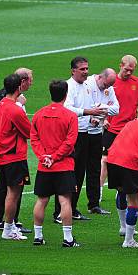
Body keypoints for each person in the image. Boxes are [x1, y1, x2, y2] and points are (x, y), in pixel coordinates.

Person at [53, 57, 108, 223]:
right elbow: (67, 108)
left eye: (87, 68)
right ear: (73, 71)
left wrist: (93, 117)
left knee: (82, 172)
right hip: (74, 134)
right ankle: (59, 212)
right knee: (71, 173)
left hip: (88, 132)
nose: (86, 72)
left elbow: (89, 107)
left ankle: (74, 208)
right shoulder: (68, 86)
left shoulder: (86, 86)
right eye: (82, 69)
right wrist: (87, 112)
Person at [101, 55, 138, 233]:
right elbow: (100, 102)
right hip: (113, 130)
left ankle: (124, 225)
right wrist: (104, 119)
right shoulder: (112, 83)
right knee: (105, 160)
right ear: (120, 65)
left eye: (132, 70)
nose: (129, 72)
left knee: (121, 172)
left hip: (130, 131)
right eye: (126, 69)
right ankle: (98, 193)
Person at [30, 80, 80, 247]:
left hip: (44, 166)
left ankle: (38, 236)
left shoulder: (38, 114)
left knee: (41, 200)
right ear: (66, 95)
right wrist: (55, 157)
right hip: (63, 165)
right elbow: (70, 142)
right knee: (65, 201)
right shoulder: (70, 116)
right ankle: (68, 239)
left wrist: (44, 156)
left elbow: (34, 138)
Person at [0, 67, 33, 234]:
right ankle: (9, 228)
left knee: (6, 189)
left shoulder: (1, 104)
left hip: (3, 153)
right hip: (14, 156)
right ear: (19, 87)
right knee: (13, 193)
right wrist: (21, 106)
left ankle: (5, 225)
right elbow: (29, 132)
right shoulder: (15, 109)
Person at [107, 115, 138, 248]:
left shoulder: (134, 122)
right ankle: (128, 240)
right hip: (130, 162)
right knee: (134, 199)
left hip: (112, 158)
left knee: (121, 191)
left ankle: (123, 227)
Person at [85, 68, 119, 214]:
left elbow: (116, 109)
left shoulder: (109, 88)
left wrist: (100, 109)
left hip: (97, 132)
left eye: (109, 86)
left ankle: (94, 204)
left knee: (94, 169)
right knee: (78, 170)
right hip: (83, 131)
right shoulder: (87, 84)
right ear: (99, 77)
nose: (107, 88)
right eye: (105, 84)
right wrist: (94, 111)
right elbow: (81, 108)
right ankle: (69, 206)